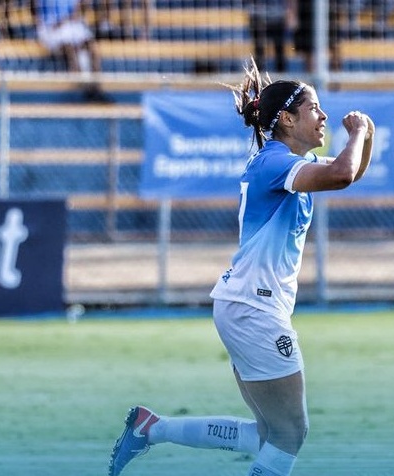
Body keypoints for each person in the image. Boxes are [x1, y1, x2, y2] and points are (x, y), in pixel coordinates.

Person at [107, 58, 375, 476]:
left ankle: (151, 428)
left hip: (244, 305)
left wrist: (366, 136)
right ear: (286, 119)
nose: (323, 116)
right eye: (314, 109)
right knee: (290, 433)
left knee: (269, 434)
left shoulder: (282, 162)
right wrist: (356, 132)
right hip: (254, 309)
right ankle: (151, 430)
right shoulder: (275, 162)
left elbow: (349, 174)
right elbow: (342, 173)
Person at [32, 0, 113, 102]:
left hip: (70, 24)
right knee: (70, 48)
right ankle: (82, 87)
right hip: (51, 28)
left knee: (91, 47)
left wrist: (67, 20)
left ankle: (96, 88)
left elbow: (78, 10)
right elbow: (37, 13)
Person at [246, 0, 290, 72]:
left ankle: (281, 75)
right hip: (257, 16)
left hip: (276, 16)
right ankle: (258, 74)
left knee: (279, 49)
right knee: (259, 49)